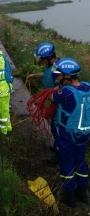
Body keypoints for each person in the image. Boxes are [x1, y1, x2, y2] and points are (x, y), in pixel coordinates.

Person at [49, 58, 90, 208]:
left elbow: (51, 97)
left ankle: (70, 196)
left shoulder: (65, 92)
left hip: (67, 135)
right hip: (84, 134)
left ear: (67, 76)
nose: (58, 78)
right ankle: (82, 192)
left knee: (66, 163)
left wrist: (55, 89)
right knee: (80, 161)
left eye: (59, 75)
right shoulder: (87, 87)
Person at [27, 42, 59, 164]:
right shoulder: (51, 66)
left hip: (56, 102)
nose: (42, 61)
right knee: (52, 125)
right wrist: (35, 75)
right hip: (50, 99)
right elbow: (47, 75)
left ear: (48, 57)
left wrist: (45, 97)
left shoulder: (58, 69)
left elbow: (61, 88)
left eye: (42, 59)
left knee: (57, 127)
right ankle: (57, 145)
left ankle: (58, 154)